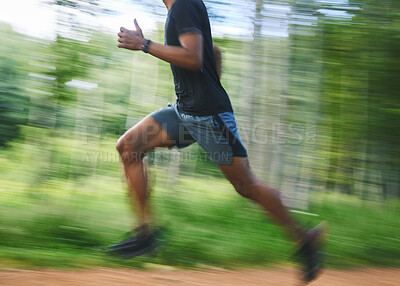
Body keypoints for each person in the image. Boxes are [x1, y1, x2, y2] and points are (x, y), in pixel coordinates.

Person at [109, 0, 327, 282]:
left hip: (209, 119)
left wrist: (144, 44)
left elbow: (194, 58)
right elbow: (212, 52)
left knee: (246, 185)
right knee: (128, 147)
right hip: (186, 112)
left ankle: (305, 239)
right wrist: (203, 87)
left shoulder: (184, 5)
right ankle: (145, 234)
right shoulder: (182, 9)